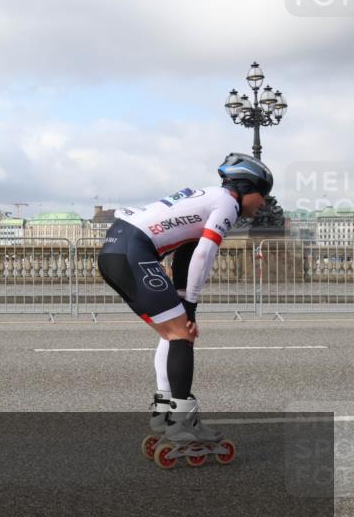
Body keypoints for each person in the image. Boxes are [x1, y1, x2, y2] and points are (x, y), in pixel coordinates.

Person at [98, 153, 273, 443]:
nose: (264, 202)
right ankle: (181, 422)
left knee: (172, 333)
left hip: (117, 248)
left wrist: (182, 300)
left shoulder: (207, 198)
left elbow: (186, 253)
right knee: (182, 334)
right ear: (244, 189)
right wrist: (190, 305)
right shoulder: (227, 202)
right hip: (132, 250)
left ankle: (164, 412)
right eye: (262, 194)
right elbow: (205, 252)